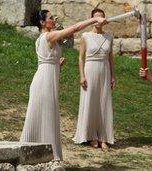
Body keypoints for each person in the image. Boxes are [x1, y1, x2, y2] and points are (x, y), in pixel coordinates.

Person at [20, 9, 108, 160]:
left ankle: (46, 157)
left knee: (48, 118)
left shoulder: (44, 39)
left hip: (47, 81)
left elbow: (46, 61)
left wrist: (57, 65)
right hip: (43, 84)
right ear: (42, 22)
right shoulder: (48, 36)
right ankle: (34, 156)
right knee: (41, 118)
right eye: (50, 18)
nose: (53, 20)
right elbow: (74, 29)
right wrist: (94, 20)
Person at [73, 8, 115, 149]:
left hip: (104, 70)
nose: (99, 20)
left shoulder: (109, 36)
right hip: (90, 69)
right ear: (92, 19)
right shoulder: (85, 36)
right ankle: (91, 136)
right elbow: (80, 58)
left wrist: (113, 76)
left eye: (101, 17)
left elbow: (111, 58)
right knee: (90, 101)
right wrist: (82, 75)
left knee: (103, 102)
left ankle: (103, 136)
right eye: (96, 18)